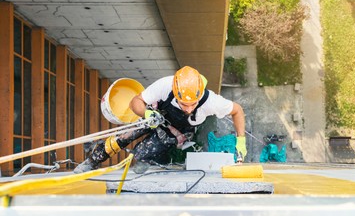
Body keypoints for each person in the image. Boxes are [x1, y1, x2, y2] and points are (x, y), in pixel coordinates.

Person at [74, 66, 247, 174]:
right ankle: (92, 161)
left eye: (192, 104)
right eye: (183, 104)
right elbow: (136, 101)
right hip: (155, 116)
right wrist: (148, 115)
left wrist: (241, 142)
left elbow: (237, 111)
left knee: (141, 155)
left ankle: (144, 157)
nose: (187, 108)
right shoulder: (165, 85)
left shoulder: (211, 101)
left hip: (176, 131)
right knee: (124, 136)